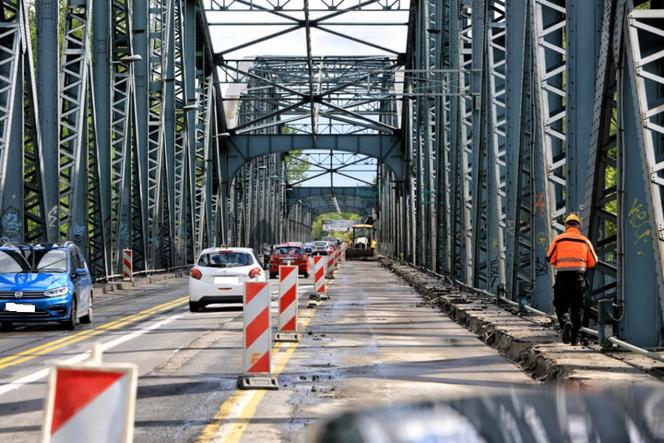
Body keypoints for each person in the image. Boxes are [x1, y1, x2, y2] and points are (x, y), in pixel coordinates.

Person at [545, 213, 598, 345]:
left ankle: (565, 322)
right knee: (577, 307)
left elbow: (550, 258)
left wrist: (560, 262)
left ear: (566, 225)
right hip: (579, 277)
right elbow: (593, 262)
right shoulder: (585, 240)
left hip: (562, 276)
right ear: (578, 225)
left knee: (560, 304)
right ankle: (575, 339)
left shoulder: (559, 239)